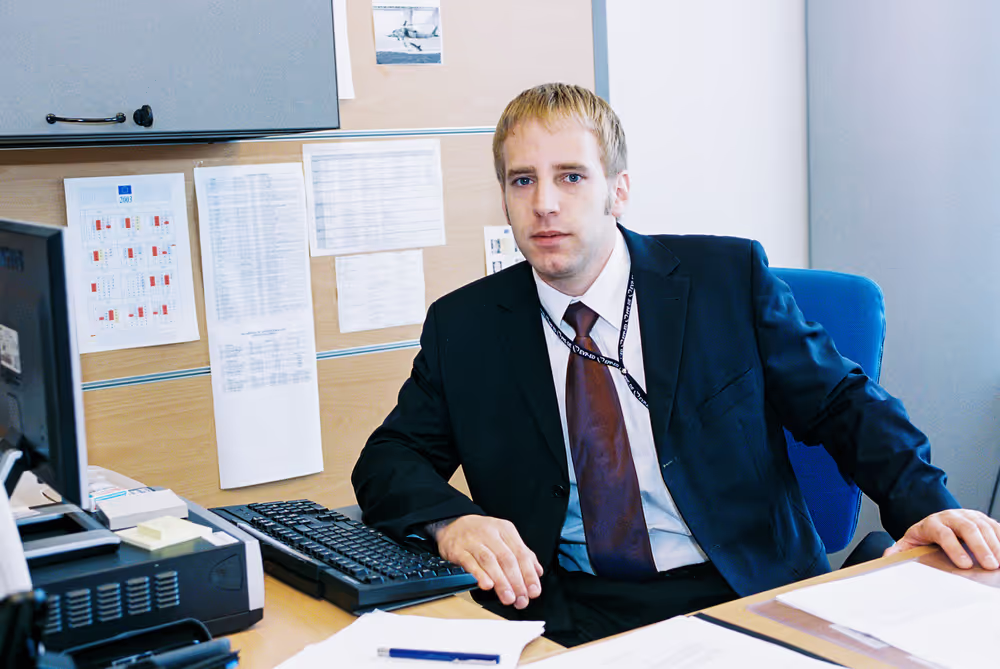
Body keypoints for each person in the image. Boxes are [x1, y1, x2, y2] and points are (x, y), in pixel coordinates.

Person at [352, 83, 1000, 646]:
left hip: (742, 589)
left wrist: (927, 504)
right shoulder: (465, 327)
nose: (544, 203)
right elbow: (388, 460)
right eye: (523, 180)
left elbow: (841, 403)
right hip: (567, 610)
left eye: (571, 176)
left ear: (618, 190)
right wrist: (452, 521)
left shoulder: (726, 280)